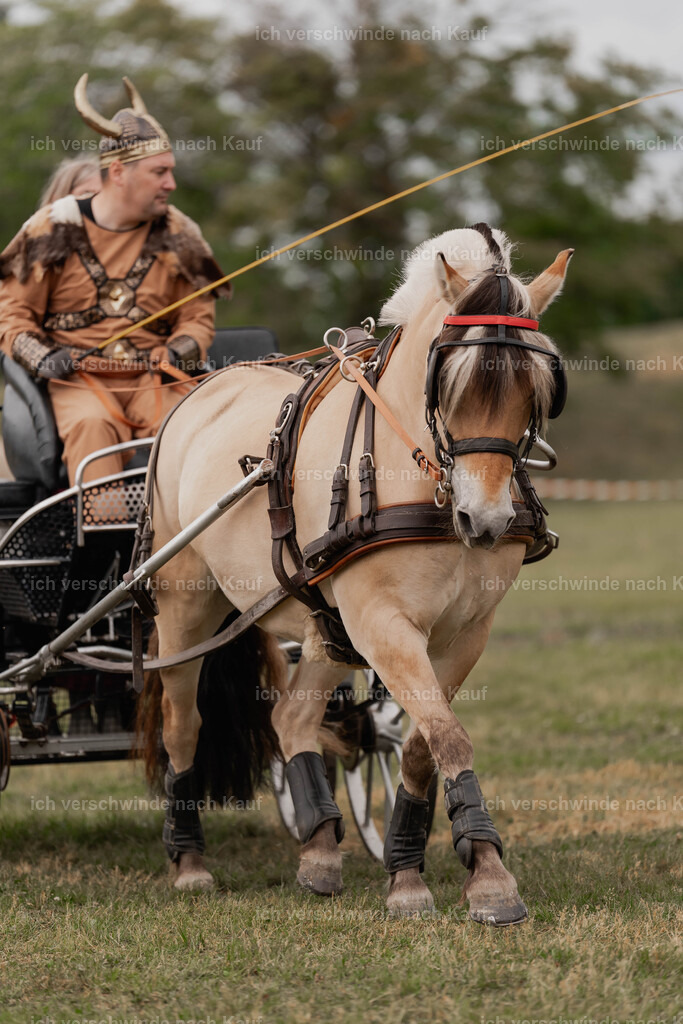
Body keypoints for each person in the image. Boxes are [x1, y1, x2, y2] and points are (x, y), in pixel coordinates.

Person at [0, 74, 231, 484]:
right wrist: (43, 358)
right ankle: (100, 541)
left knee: (201, 432)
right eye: (159, 172)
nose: (170, 184)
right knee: (92, 427)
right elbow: (12, 316)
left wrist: (177, 353)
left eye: (171, 171)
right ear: (120, 172)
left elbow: (198, 318)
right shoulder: (51, 227)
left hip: (155, 381)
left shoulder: (180, 232)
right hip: (80, 383)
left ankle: (191, 544)